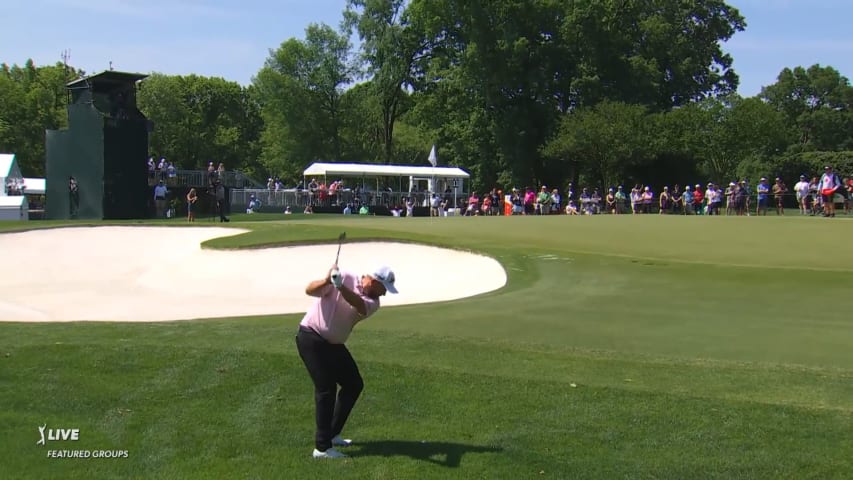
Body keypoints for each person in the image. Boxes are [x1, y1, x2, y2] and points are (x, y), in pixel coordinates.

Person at [296, 264, 398, 459]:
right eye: (383, 289)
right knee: (326, 388)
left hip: (333, 345)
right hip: (311, 338)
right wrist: (327, 281)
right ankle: (322, 448)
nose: (384, 294)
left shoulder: (373, 302)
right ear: (375, 281)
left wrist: (340, 287)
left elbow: (359, 305)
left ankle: (332, 434)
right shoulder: (345, 276)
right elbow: (309, 290)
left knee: (354, 384)